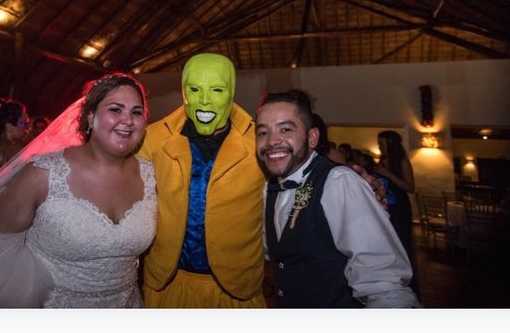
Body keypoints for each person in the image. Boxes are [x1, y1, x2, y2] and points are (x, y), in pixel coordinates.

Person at [139, 53, 385, 308]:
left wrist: (351, 184)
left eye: (217, 89)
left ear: (231, 91)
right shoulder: (151, 138)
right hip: (166, 286)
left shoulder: (258, 141)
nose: (204, 100)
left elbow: (302, 170)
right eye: (194, 88)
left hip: (237, 292)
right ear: (183, 91)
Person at [0, 73, 157, 308]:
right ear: (90, 116)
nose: (127, 119)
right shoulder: (44, 173)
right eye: (116, 109)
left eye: (136, 112)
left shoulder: (151, 174)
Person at [257, 89, 420, 308]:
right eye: (262, 133)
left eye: (285, 129)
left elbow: (383, 282)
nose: (272, 141)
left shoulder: (339, 182)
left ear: (312, 137)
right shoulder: (269, 189)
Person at [374, 130, 416, 282]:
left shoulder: (402, 161)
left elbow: (410, 187)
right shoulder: (383, 160)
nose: (379, 147)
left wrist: (388, 174)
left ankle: (405, 278)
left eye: (382, 144)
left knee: (401, 241)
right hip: (385, 205)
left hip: (399, 206)